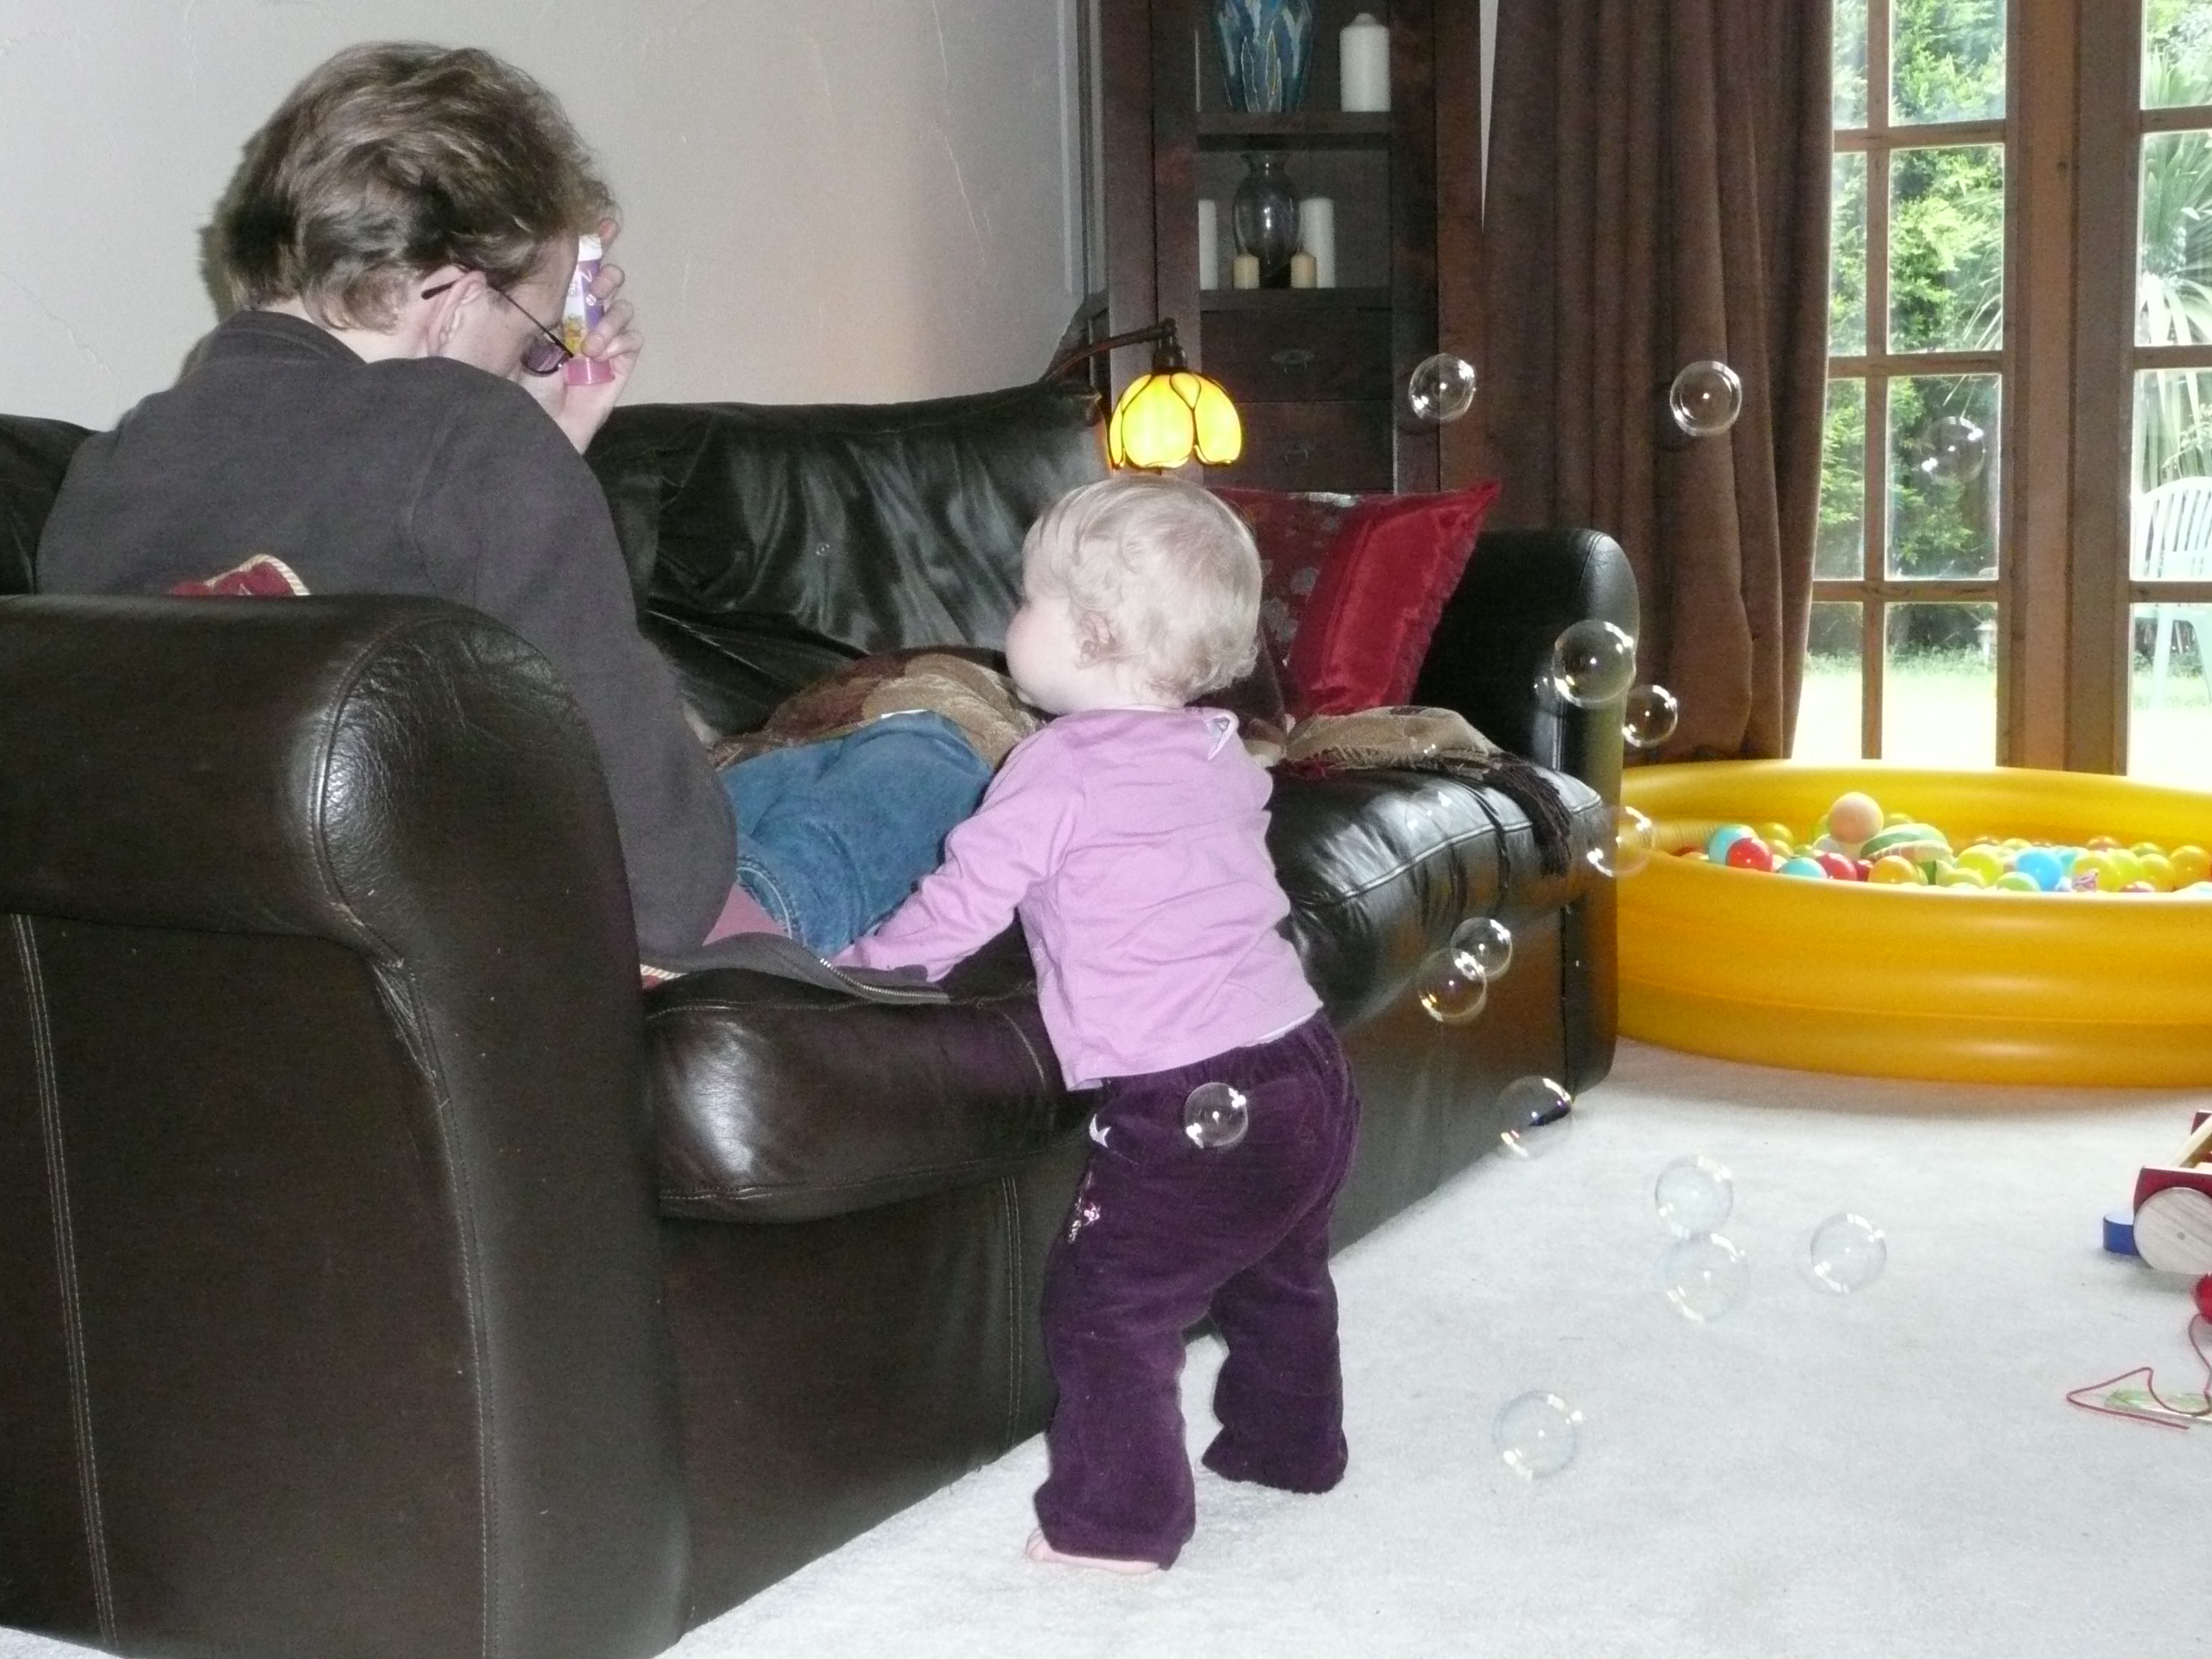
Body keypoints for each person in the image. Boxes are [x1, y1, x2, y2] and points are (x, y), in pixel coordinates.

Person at [34, 42, 985, 963]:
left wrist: (545, 451)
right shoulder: (475, 441)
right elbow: (666, 890)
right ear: (449, 299)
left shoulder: (104, 480)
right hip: (564, 959)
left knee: (798, 773)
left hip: (289, 975)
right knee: (928, 758)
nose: (538, 355)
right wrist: (520, 453)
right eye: (537, 326)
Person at [835, 474, 1362, 1573]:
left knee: (1109, 1305)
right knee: (1279, 1271)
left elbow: (963, 905)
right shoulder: (1221, 750)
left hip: (1187, 1096)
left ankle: (1118, 1522)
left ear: (1095, 633)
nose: (1010, 618)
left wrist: (860, 973)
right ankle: (1289, 1447)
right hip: (1308, 1059)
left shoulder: (1058, 766)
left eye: (1027, 598)